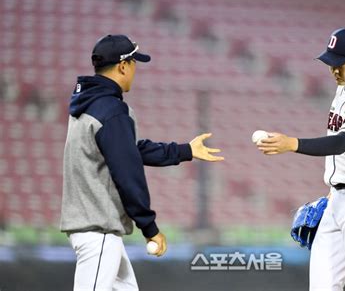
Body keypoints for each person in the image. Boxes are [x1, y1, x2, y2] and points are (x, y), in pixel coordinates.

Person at [60, 34, 224, 290]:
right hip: (99, 231)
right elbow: (128, 172)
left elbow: (128, 151)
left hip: (97, 231)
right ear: (123, 65)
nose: (136, 70)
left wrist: (184, 150)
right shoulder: (111, 110)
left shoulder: (90, 105)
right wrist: (149, 227)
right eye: (135, 63)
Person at [256, 27, 345, 291]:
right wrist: (333, 193)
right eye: (330, 63)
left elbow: (342, 143)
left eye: (340, 64)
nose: (333, 69)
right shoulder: (344, 88)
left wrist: (291, 144)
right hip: (338, 200)